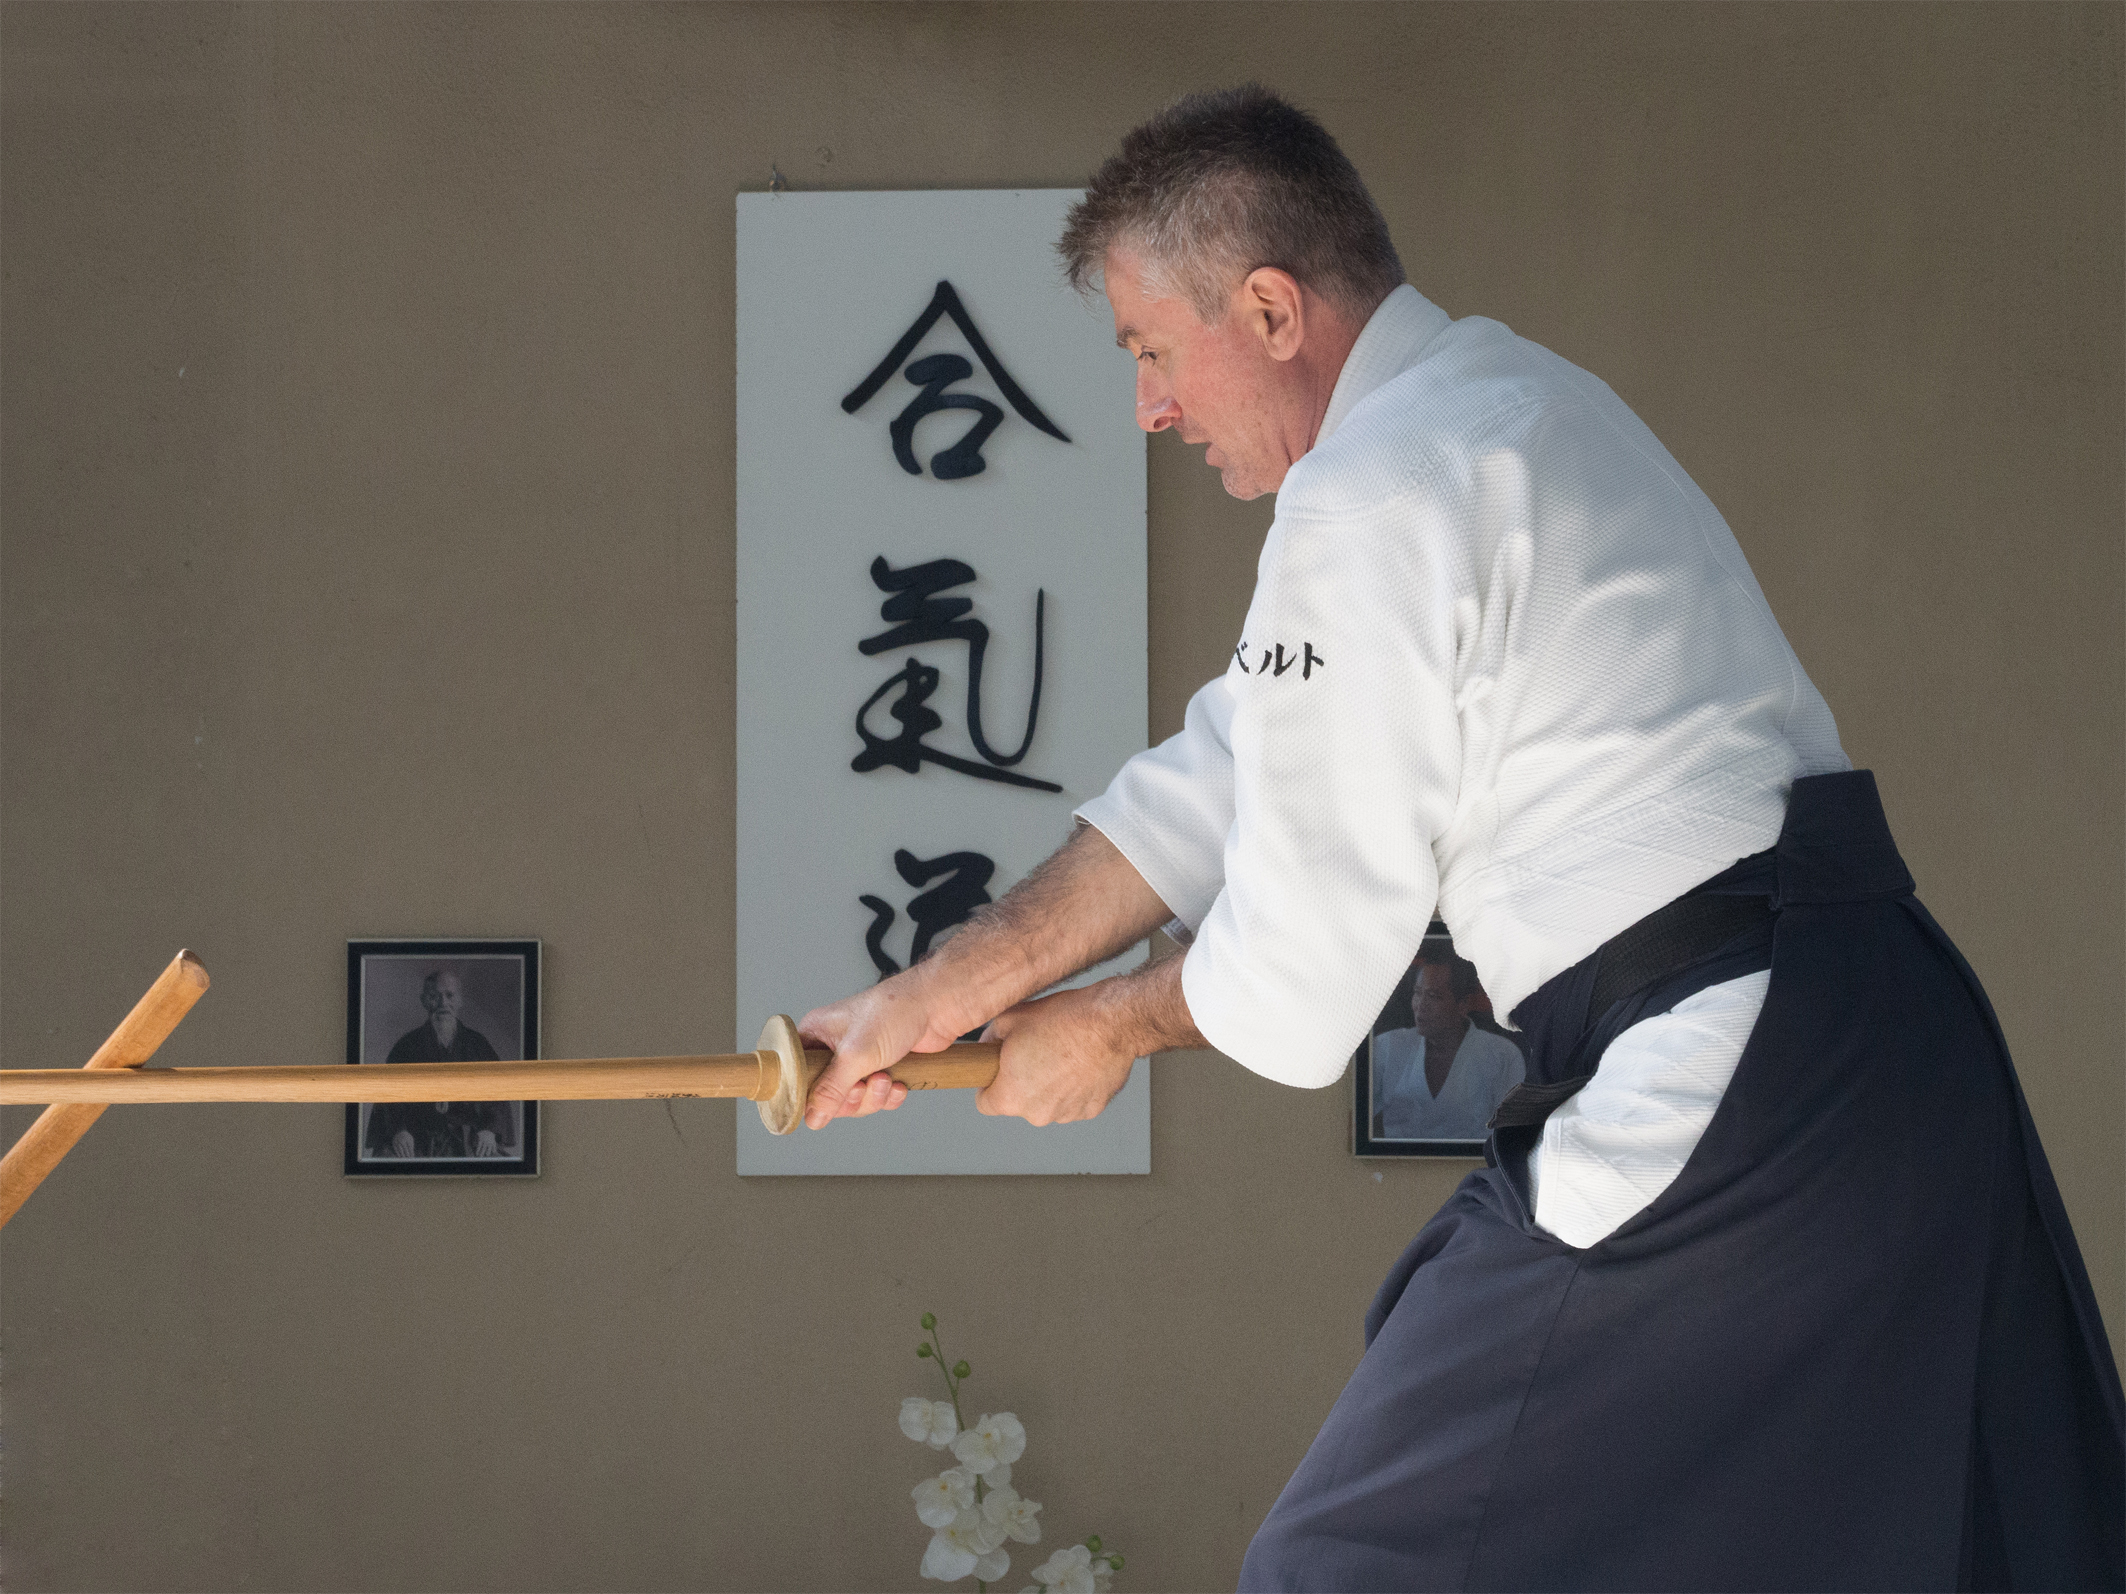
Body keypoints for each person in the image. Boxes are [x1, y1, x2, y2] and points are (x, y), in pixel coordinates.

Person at [796, 85, 2122, 1590]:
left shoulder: (1372, 497)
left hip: (1737, 1080)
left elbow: (1298, 981)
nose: (1150, 409)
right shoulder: (1509, 407)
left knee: (1358, 1563)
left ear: (1272, 309)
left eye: (1153, 351)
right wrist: (943, 989)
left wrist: (1098, 1031)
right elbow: (1227, 771)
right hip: (1876, 1043)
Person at [1370, 951, 1523, 1141]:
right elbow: (1359, 1122)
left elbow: (1512, 1137)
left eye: (1433, 996)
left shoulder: (1503, 1056)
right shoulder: (1387, 1048)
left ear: (1463, 1004)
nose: (1421, 1005)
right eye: (1418, 993)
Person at [362, 969, 511, 1159]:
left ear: (460, 1000)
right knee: (385, 1163)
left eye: (449, 996)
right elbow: (388, 1097)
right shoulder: (406, 1046)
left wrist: (489, 1131)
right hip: (416, 1139)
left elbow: (499, 1092)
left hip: (468, 1138)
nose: (443, 1004)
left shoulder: (477, 1045)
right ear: (424, 1000)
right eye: (434, 996)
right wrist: (399, 1131)